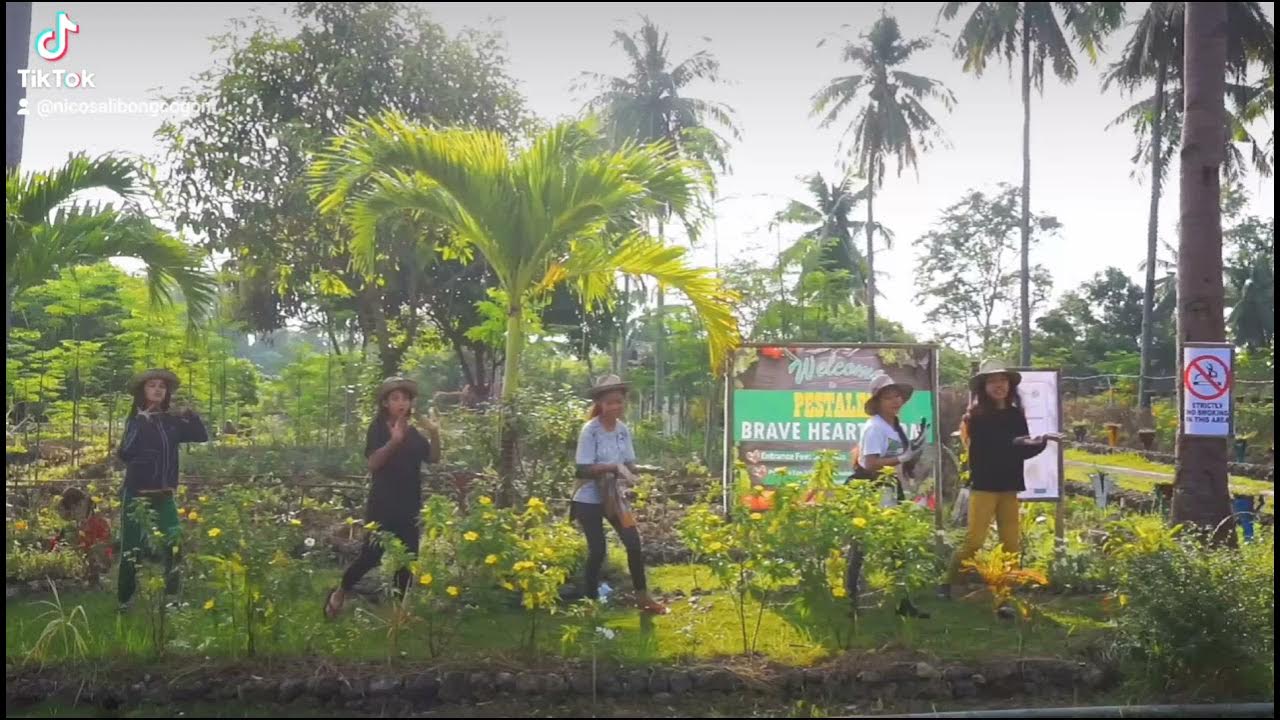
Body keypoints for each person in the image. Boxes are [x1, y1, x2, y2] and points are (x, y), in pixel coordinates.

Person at [939, 361, 1060, 616]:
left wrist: (1043, 441)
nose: (999, 386)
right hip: (984, 485)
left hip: (1009, 485)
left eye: (1003, 381)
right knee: (974, 540)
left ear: (1009, 385)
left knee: (1011, 543)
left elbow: (1022, 448)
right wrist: (1015, 443)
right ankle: (948, 583)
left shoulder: (1016, 414)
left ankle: (1004, 591)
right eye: (993, 381)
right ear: (984, 387)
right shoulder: (975, 417)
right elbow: (987, 449)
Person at [325, 377, 440, 619]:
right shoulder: (378, 427)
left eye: (405, 398)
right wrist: (394, 441)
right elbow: (373, 464)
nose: (402, 403)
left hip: (410, 503)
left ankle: (398, 612)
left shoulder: (413, 431)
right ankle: (340, 592)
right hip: (383, 503)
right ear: (385, 403)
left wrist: (434, 432)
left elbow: (433, 458)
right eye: (395, 398)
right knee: (371, 555)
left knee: (407, 557)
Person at [572, 375, 666, 615]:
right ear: (600, 404)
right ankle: (590, 602)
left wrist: (643, 472)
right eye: (610, 402)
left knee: (634, 543)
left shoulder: (623, 431)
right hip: (589, 498)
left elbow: (629, 464)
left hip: (614, 498)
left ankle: (643, 597)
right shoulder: (590, 431)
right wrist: (612, 467)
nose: (615, 406)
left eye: (619, 402)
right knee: (598, 550)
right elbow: (582, 468)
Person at [117, 368, 209, 609]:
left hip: (165, 494)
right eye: (152, 385)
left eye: (162, 386)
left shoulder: (171, 421)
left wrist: (192, 416)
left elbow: (201, 436)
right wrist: (140, 424)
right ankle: (126, 599)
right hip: (137, 495)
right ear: (143, 392)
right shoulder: (135, 421)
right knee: (131, 548)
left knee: (174, 543)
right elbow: (125, 453)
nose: (158, 389)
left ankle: (171, 598)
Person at [852, 373, 931, 619]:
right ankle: (851, 598)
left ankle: (902, 601)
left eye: (897, 396)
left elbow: (900, 461)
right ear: (877, 402)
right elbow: (868, 463)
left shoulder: (894, 427)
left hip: (888, 487)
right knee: (861, 544)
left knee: (896, 544)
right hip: (872, 489)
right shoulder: (874, 427)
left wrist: (914, 448)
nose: (895, 401)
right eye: (888, 397)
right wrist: (902, 457)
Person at [52, 487, 113, 587]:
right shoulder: (79, 521)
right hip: (84, 560)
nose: (73, 516)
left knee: (96, 551)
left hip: (100, 563)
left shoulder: (98, 522)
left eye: (73, 512)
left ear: (80, 505)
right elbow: (60, 540)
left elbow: (100, 547)